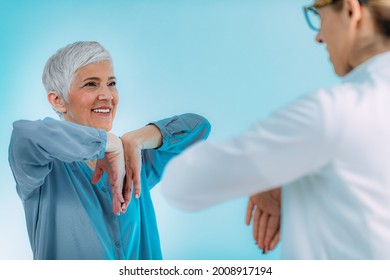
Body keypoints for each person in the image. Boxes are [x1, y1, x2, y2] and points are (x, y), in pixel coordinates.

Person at [160, 0, 390, 259]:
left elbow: (182, 185)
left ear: (351, 10)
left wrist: (272, 175)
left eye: (318, 16)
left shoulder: (334, 112)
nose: (318, 36)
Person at [8, 41, 211, 260]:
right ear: (58, 100)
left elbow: (199, 127)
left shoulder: (132, 160)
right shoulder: (43, 170)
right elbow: (24, 135)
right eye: (91, 84)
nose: (107, 95)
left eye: (111, 83)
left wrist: (136, 139)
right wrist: (106, 143)